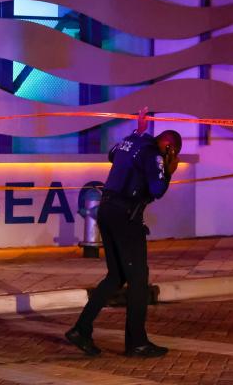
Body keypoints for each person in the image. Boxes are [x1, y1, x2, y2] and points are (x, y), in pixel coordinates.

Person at [65, 107, 181, 358]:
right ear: (170, 147)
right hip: (125, 217)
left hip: (107, 211)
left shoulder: (132, 141)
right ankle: (136, 342)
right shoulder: (156, 155)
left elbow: (112, 155)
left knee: (116, 277)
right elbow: (158, 189)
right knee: (139, 280)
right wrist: (168, 170)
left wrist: (138, 131)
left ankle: (81, 329)